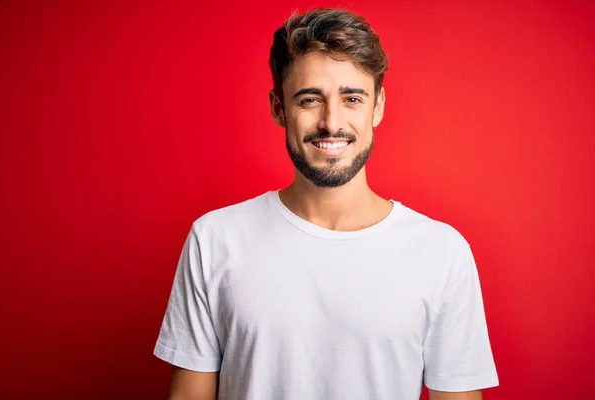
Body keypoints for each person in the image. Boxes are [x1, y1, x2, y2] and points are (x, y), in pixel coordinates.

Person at [153, 7, 499, 400]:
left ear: (378, 107)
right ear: (278, 108)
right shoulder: (214, 239)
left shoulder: (441, 253)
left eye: (352, 98)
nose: (331, 122)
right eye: (309, 100)